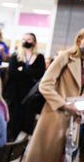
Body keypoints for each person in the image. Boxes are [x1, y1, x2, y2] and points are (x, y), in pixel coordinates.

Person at [25, 28, 84, 162]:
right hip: (55, 114)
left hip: (74, 118)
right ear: (79, 40)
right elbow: (45, 85)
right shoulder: (66, 56)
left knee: (64, 156)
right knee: (45, 156)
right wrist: (64, 105)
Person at [4, 33, 45, 141]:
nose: (26, 41)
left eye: (29, 39)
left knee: (26, 121)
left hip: (30, 94)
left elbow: (40, 73)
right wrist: (29, 73)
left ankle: (19, 146)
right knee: (13, 120)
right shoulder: (15, 55)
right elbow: (12, 72)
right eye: (24, 39)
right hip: (15, 93)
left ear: (34, 42)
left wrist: (22, 70)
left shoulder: (39, 57)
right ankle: (9, 143)